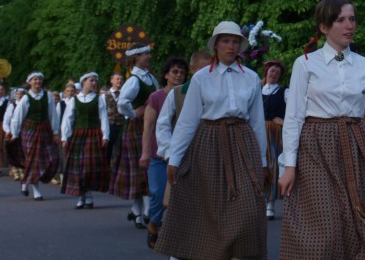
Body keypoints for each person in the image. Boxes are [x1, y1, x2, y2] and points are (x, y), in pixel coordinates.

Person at [279, 0, 365, 259]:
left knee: (358, 221)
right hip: (316, 148)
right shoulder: (306, 63)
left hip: (355, 147)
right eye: (340, 20)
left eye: (352, 19)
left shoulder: (364, 64)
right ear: (324, 27)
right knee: (325, 226)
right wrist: (289, 166)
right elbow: (294, 117)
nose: (349, 25)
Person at [155, 22, 268, 260]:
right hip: (208, 143)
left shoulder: (251, 77)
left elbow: (257, 121)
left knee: (247, 209)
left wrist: (264, 161)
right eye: (225, 41)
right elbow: (187, 121)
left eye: (235, 41)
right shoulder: (200, 79)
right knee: (209, 209)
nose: (230, 45)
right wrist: (173, 159)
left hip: (243, 143)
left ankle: (239, 254)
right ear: (216, 45)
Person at [139, 56, 187, 248]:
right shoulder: (156, 97)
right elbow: (148, 127)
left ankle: (177, 234)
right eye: (175, 72)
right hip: (158, 155)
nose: (179, 75)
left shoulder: (187, 95)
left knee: (178, 197)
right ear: (166, 74)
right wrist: (145, 153)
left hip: (181, 154)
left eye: (182, 72)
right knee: (158, 193)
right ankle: (153, 223)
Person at [113, 43, 158, 229]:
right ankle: (146, 212)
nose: (149, 56)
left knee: (144, 167)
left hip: (150, 125)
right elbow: (122, 102)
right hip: (137, 127)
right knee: (142, 166)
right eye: (145, 53)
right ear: (137, 57)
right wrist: (133, 113)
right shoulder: (133, 80)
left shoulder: (150, 77)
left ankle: (137, 211)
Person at [60, 72, 110, 208]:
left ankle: (88, 195)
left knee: (90, 168)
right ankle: (81, 196)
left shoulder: (99, 99)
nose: (94, 83)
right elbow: (68, 119)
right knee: (79, 167)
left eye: (95, 81)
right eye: (91, 81)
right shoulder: (74, 100)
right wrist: (65, 137)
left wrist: (105, 135)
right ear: (83, 83)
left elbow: (103, 118)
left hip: (94, 134)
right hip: (78, 135)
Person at [9, 72, 60, 200]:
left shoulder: (48, 96)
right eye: (35, 79)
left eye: (39, 79)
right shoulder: (26, 98)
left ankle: (25, 181)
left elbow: (53, 115)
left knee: (50, 157)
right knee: (33, 159)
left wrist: (55, 132)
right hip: (29, 130)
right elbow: (17, 117)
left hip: (44, 130)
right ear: (30, 82)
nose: (38, 81)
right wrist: (14, 133)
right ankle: (36, 188)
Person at [261, 59, 288, 221]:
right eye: (272, 71)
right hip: (258, 131)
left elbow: (294, 110)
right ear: (266, 72)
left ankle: (269, 203)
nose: (274, 74)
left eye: (277, 72)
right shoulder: (256, 89)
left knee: (272, 165)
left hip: (274, 133)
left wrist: (283, 122)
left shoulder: (284, 92)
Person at [4, 86, 26, 181]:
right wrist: (8, 131)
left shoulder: (26, 105)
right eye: (18, 94)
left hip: (25, 131)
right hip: (13, 131)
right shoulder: (12, 106)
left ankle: (22, 170)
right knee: (14, 151)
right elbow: (6, 120)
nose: (20, 95)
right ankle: (15, 170)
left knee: (23, 152)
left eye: (22, 94)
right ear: (16, 95)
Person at [102, 73, 124, 163]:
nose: (119, 81)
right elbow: (103, 112)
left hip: (122, 125)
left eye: (121, 79)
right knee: (108, 150)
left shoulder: (124, 94)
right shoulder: (104, 96)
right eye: (117, 79)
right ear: (112, 81)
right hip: (109, 125)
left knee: (121, 150)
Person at [0, 83, 10, 176]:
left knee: (1, 146)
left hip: (2, 125)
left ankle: (0, 167)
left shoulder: (7, 102)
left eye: (1, 89)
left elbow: (9, 115)